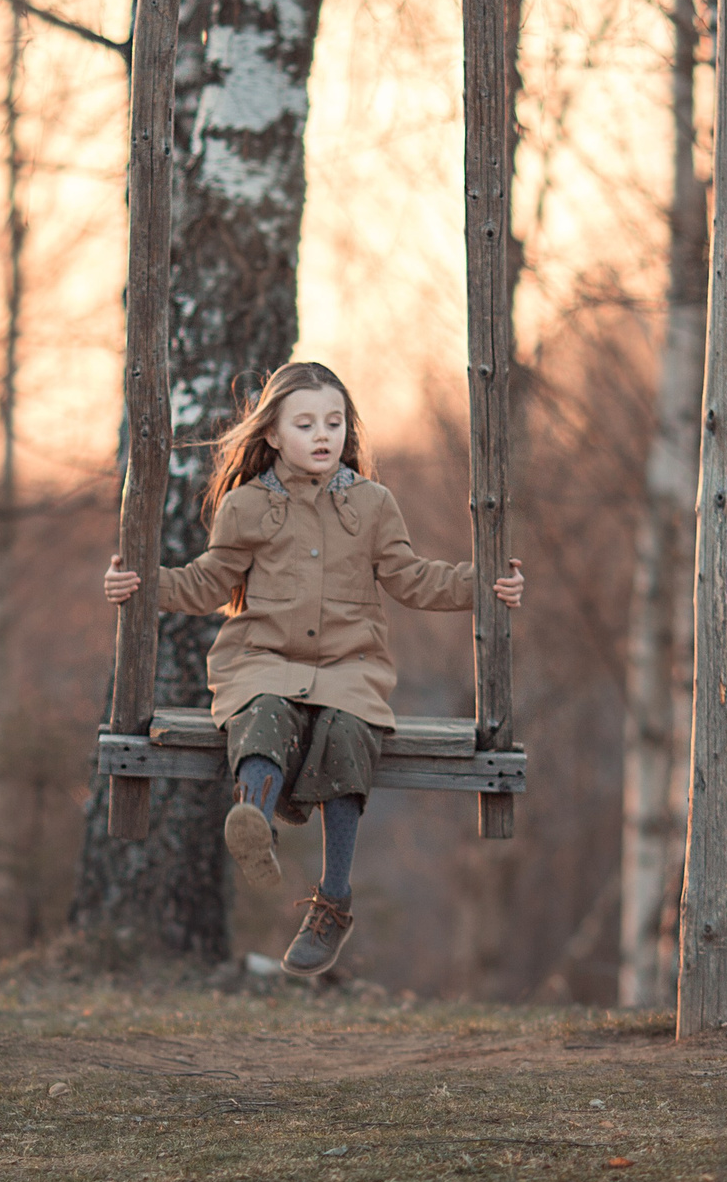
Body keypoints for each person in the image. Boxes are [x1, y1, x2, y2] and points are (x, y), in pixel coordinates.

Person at [104, 361, 524, 979]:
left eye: (334, 422)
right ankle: (254, 819)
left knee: (347, 735)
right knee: (263, 714)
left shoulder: (373, 503)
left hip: (349, 668)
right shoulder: (246, 507)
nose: (322, 435)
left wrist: (485, 583)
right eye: (305, 424)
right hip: (262, 660)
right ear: (272, 433)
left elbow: (412, 577)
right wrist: (142, 585)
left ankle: (333, 900)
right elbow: (207, 582)